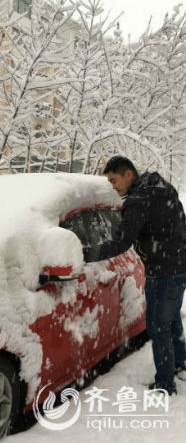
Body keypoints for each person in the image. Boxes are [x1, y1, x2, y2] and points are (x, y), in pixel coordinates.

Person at [84, 155, 186, 395]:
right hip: (180, 265)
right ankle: (180, 362)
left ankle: (165, 384)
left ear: (129, 174)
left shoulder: (137, 200)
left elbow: (121, 243)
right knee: (171, 320)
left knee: (158, 325)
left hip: (162, 271)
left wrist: (85, 254)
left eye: (114, 180)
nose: (112, 186)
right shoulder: (162, 188)